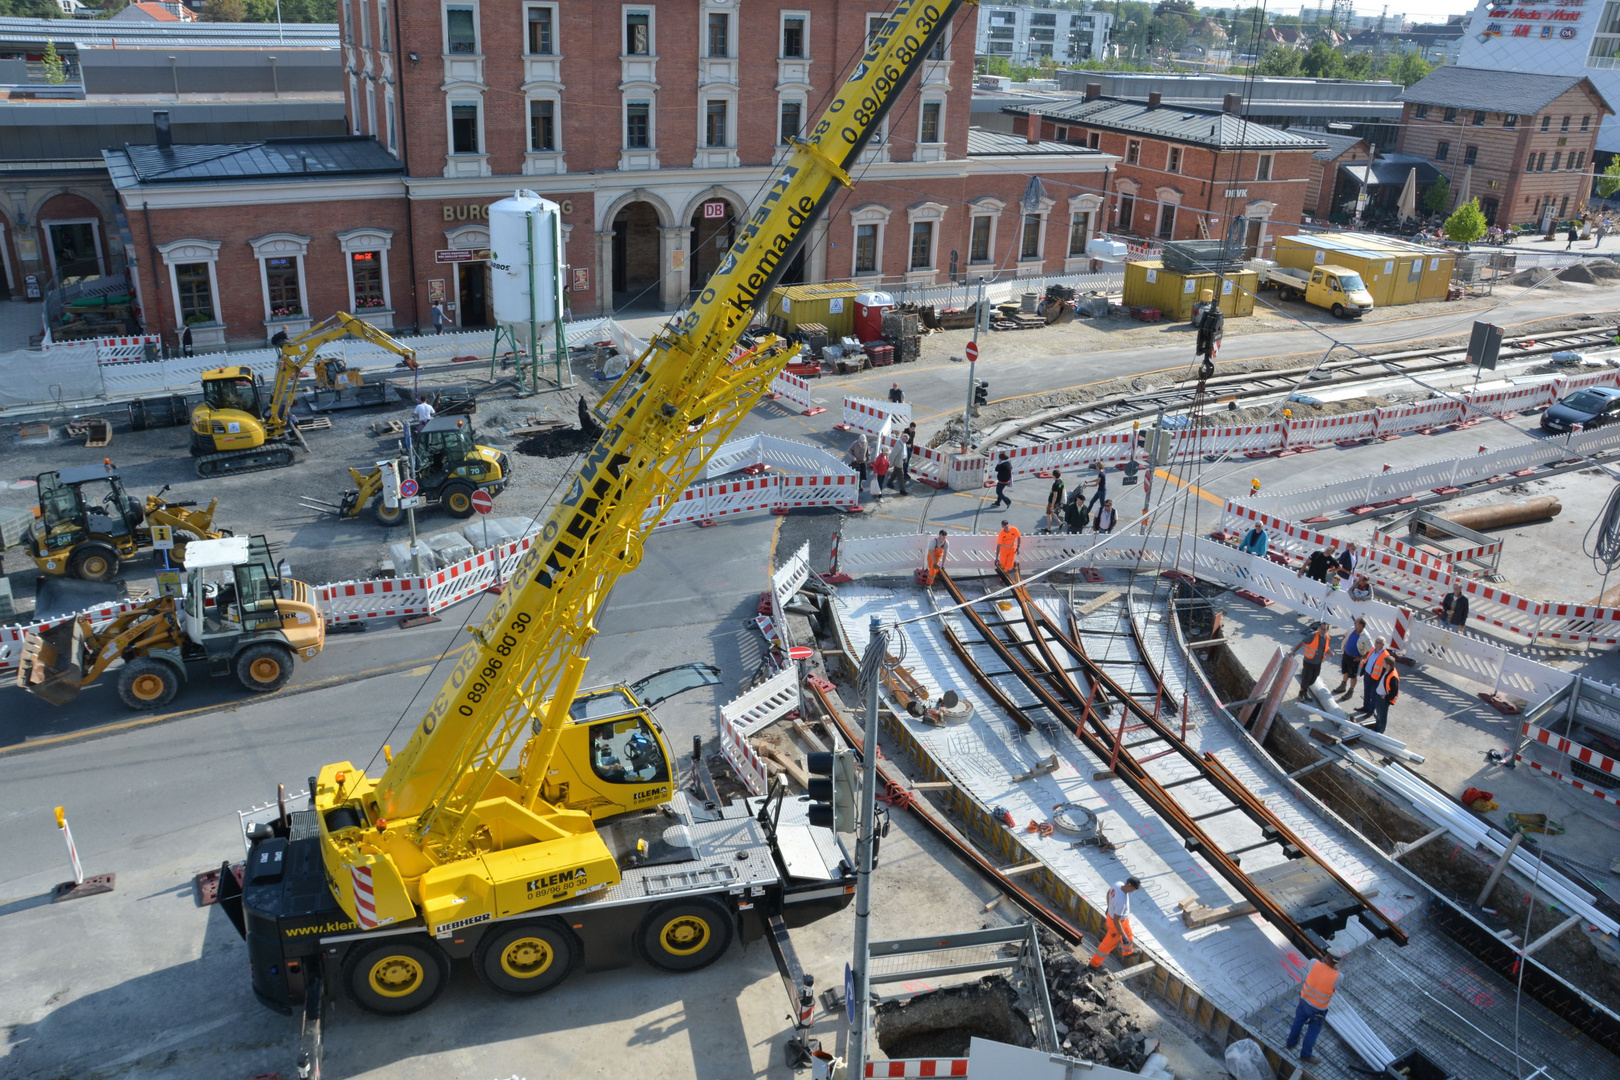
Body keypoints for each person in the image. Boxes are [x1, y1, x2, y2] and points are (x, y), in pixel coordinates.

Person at [1284, 953, 1341, 1064]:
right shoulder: (1338, 977)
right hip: (1318, 1010)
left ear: (1327, 957)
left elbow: (1320, 963)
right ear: (1337, 962)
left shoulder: (1314, 962)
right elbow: (1337, 976)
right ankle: (1305, 1055)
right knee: (1313, 1032)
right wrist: (1336, 966)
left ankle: (1291, 1042)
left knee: (1298, 1022)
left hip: (1304, 1001)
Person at [1088, 877, 1141, 969]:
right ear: (1129, 885)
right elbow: (1117, 921)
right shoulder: (1121, 901)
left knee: (1128, 933)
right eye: (1134, 888)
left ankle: (1128, 952)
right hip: (1116, 924)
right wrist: (1123, 936)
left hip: (1120, 919)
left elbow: (1109, 893)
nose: (1134, 890)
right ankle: (1094, 964)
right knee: (1107, 945)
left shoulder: (1118, 884)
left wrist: (1109, 908)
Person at [1291, 621, 1332, 700]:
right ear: (1319, 628)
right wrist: (1294, 651)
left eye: (1325, 629)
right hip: (1309, 662)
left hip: (1318, 663)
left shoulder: (1327, 637)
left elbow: (1326, 647)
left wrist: (1330, 652)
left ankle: (1305, 692)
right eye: (1322, 628)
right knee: (1306, 678)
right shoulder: (1312, 635)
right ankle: (1301, 694)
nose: (1323, 630)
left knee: (1313, 679)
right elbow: (1302, 643)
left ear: (1327, 630)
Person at [1354, 637, 1393, 718]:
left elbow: (1386, 670)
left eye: (1378, 642)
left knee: (1373, 695)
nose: (1376, 644)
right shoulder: (1373, 650)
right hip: (1367, 674)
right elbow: (1367, 660)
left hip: (1376, 679)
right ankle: (1365, 707)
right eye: (1376, 641)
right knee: (1366, 692)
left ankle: (1370, 711)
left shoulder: (1386, 655)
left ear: (1383, 644)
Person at [1334, 616, 1367, 696]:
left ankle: (1351, 690)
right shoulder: (1352, 629)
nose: (1354, 623)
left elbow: (1370, 650)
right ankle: (1343, 685)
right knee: (1345, 671)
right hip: (1346, 654)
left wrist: (1361, 657)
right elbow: (1345, 635)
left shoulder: (1365, 637)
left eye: (1356, 622)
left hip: (1354, 659)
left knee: (1353, 675)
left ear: (1361, 626)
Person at [1370, 664, 1400, 734]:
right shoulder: (1387, 671)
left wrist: (1386, 698)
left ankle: (1379, 731)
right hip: (1380, 696)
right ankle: (1377, 728)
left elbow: (1394, 692)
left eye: (1384, 662)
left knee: (1381, 715)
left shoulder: (1393, 676)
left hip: (1383, 699)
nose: (1382, 664)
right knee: (1379, 714)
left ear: (1388, 665)